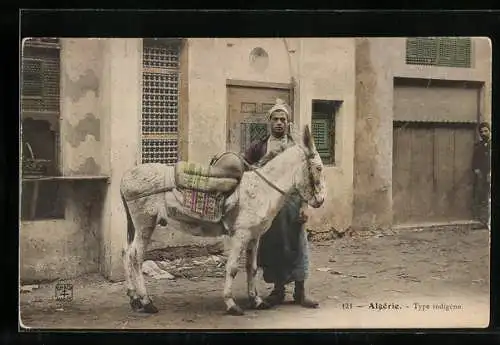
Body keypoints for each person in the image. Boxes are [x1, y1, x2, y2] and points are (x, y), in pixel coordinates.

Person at [244, 99, 319, 309]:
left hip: (293, 205)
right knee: (276, 247)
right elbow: (246, 171)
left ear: (288, 123)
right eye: (275, 119)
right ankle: (278, 291)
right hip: (270, 209)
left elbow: (306, 179)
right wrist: (265, 159)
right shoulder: (259, 146)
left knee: (298, 246)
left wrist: (305, 206)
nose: (279, 123)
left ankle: (300, 292)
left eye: (283, 119)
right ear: (269, 122)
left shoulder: (297, 148)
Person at [472, 121, 491, 227]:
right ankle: (483, 222)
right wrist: (477, 170)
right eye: (482, 132)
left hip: (490, 174)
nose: (484, 133)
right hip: (481, 177)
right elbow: (475, 161)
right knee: (482, 198)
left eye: (486, 131)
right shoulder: (478, 146)